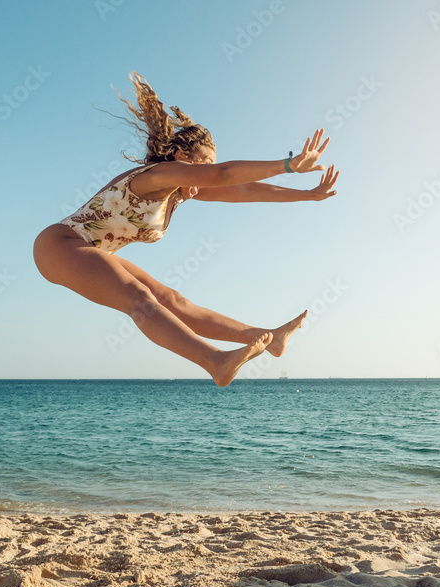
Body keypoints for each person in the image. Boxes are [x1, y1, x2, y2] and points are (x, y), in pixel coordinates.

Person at [34, 73, 338, 386]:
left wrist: (308, 194)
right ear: (181, 158)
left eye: (208, 167)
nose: (206, 175)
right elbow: (223, 173)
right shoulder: (158, 175)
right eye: (203, 165)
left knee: (173, 300)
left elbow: (247, 190)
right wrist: (288, 165)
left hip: (91, 251)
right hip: (59, 245)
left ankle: (268, 338)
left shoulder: (179, 191)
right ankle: (215, 361)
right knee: (138, 296)